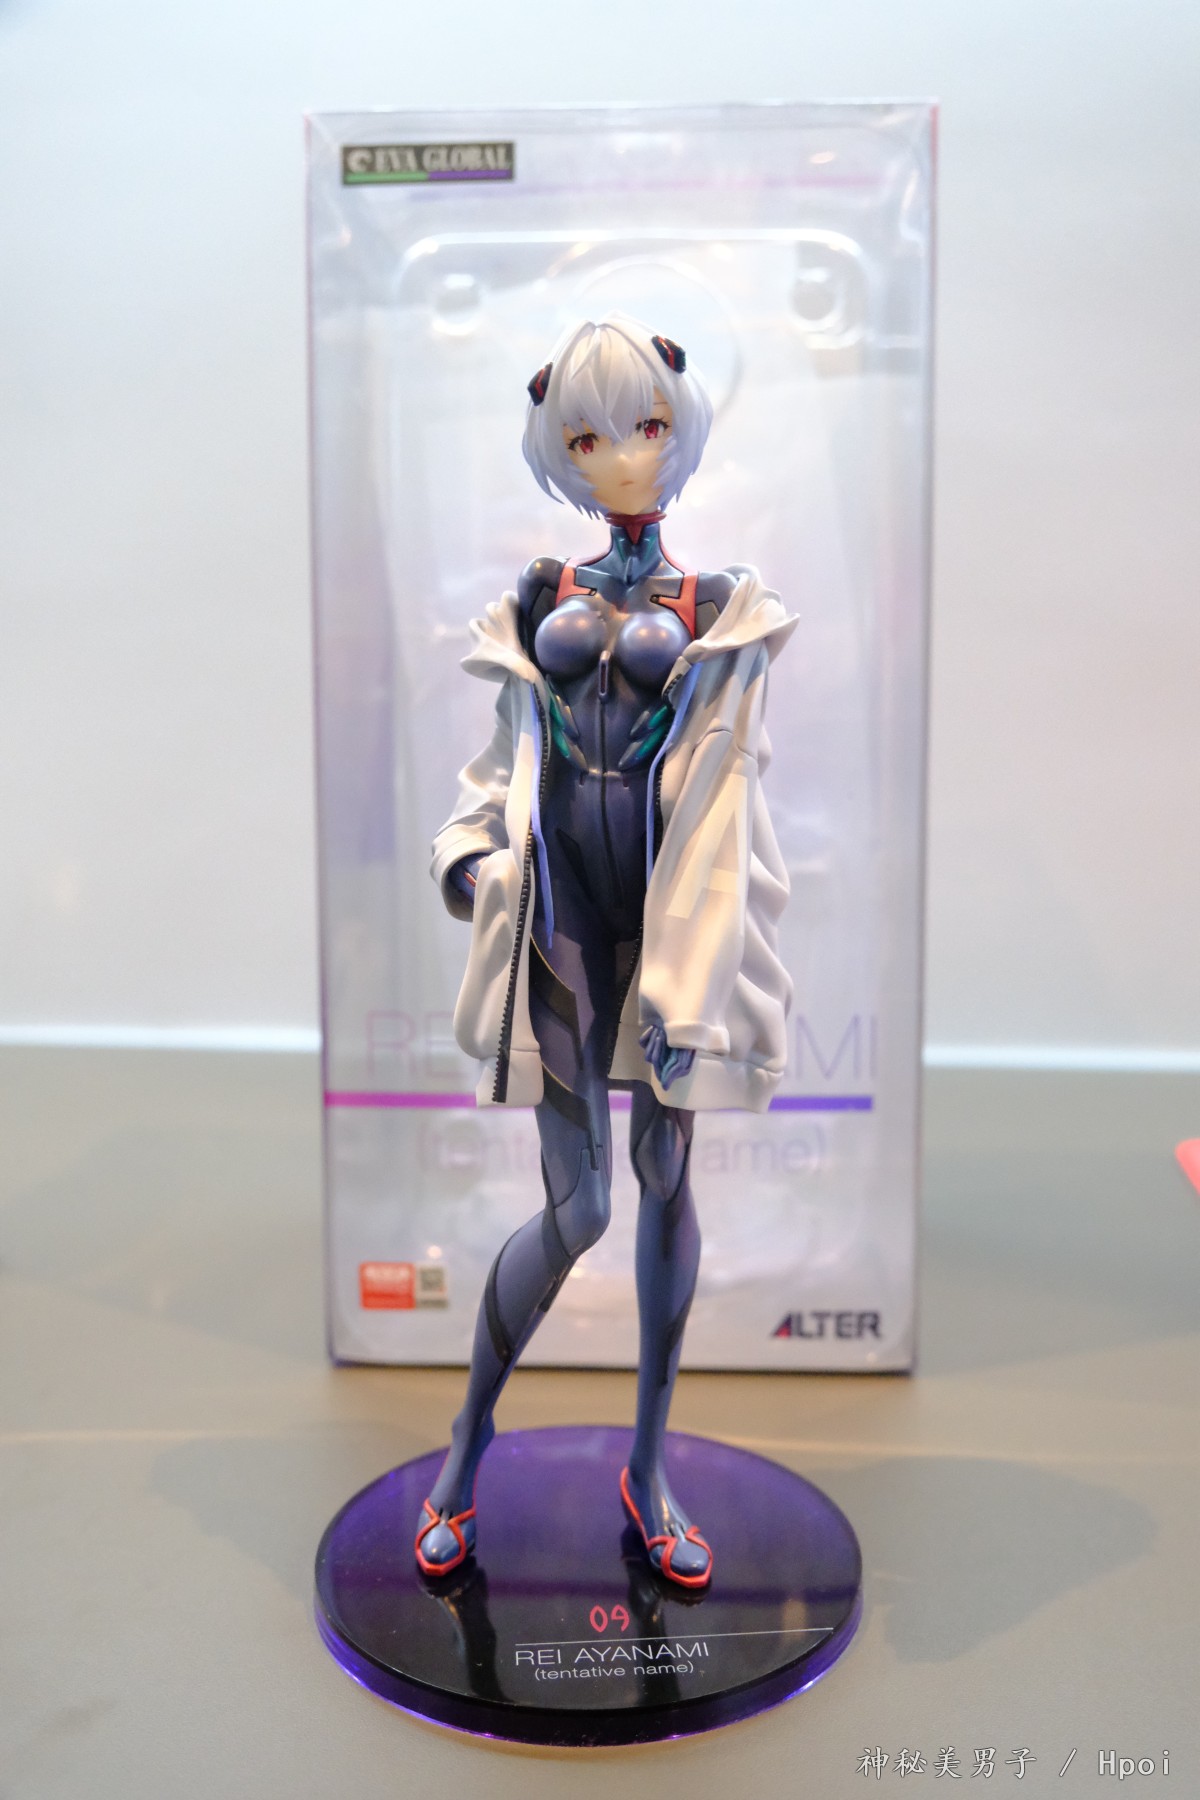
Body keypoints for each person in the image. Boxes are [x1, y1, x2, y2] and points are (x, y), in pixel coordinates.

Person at [418, 314, 797, 1587]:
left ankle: (649, 1469)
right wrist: (468, 858)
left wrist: (706, 967)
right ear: (558, 448)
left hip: (667, 931)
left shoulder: (718, 608)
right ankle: (463, 1450)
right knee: (578, 1209)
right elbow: (501, 763)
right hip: (564, 926)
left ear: (679, 425)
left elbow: (729, 800)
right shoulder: (540, 597)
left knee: (667, 1178)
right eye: (586, 437)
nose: (623, 456)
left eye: (643, 426)